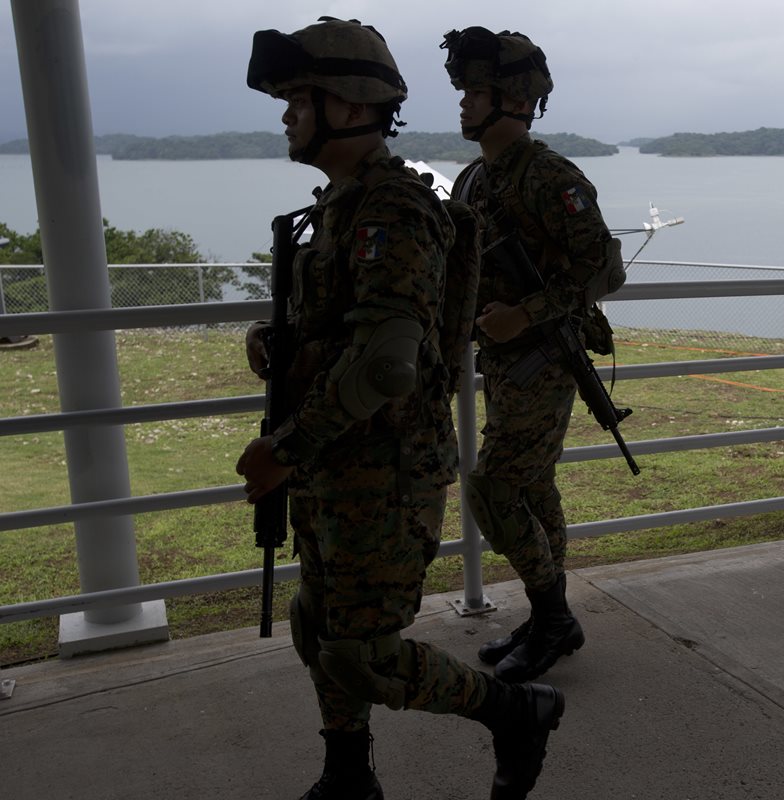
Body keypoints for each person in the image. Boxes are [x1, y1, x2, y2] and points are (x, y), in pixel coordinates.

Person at [236, 18, 563, 800]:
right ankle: (347, 772)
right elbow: (347, 334)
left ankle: (515, 712)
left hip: (380, 475)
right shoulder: (342, 209)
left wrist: (289, 445)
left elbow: (387, 366)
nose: (286, 114)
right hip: (334, 464)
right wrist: (277, 344)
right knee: (318, 627)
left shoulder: (392, 210)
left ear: (348, 104)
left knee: (366, 655)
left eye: (298, 99)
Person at [441, 27, 615, 682]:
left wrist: (526, 314)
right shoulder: (476, 179)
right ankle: (549, 621)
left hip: (546, 360)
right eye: (462, 90)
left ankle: (553, 617)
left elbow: (602, 270)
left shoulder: (550, 178)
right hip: (502, 367)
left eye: (475, 92)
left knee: (493, 487)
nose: (462, 103)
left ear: (513, 100)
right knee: (533, 486)